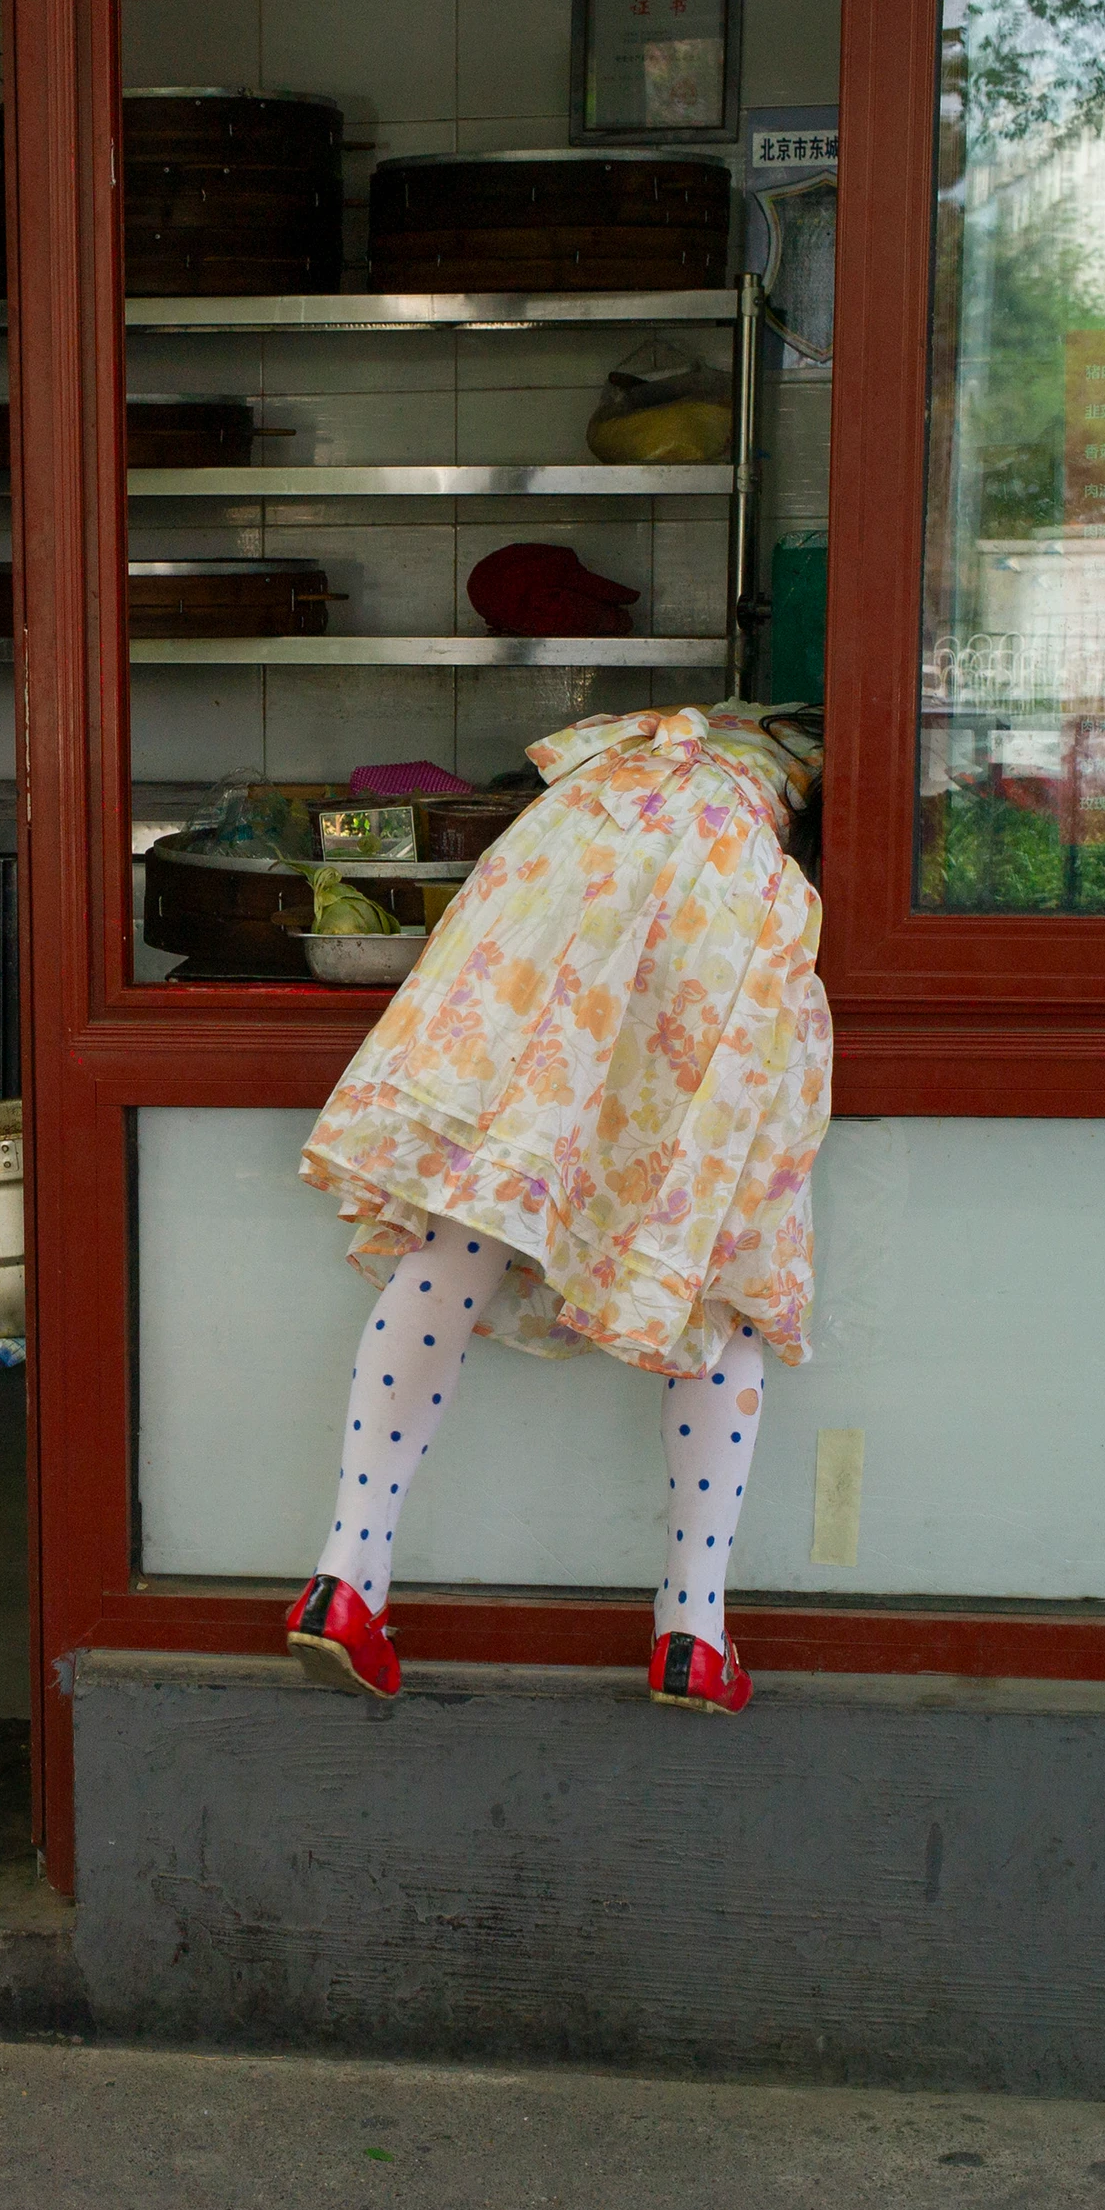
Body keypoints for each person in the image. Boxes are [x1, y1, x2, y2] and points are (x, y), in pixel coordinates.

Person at [286, 701, 830, 1716]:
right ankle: (692, 1631)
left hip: (559, 859)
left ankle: (346, 1576)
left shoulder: (655, 737)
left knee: (470, 1207)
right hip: (718, 888)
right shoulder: (831, 739)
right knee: (718, 1258)